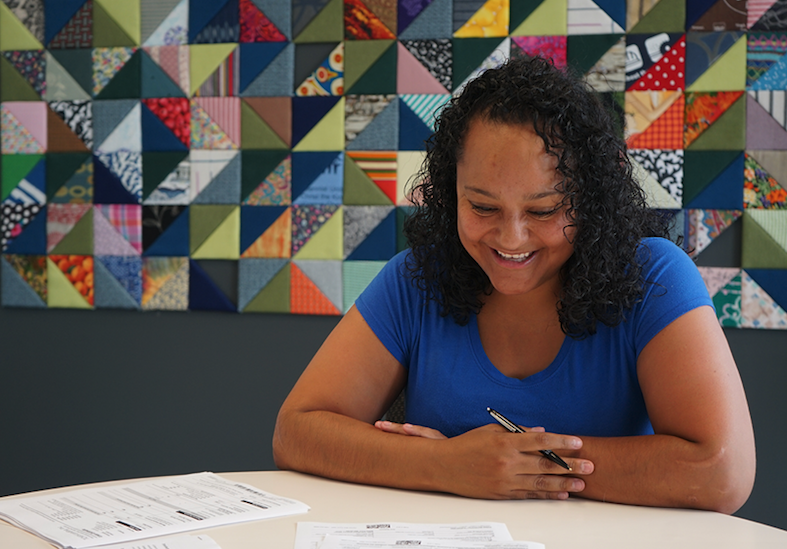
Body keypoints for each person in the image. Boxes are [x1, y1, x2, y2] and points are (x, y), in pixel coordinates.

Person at [272, 56, 755, 513]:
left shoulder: (655, 277)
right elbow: (297, 430)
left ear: (589, 201)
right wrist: (447, 465)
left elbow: (721, 470)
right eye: (482, 207)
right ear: (449, 192)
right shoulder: (414, 278)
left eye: (543, 211)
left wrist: (519, 465)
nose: (511, 238)